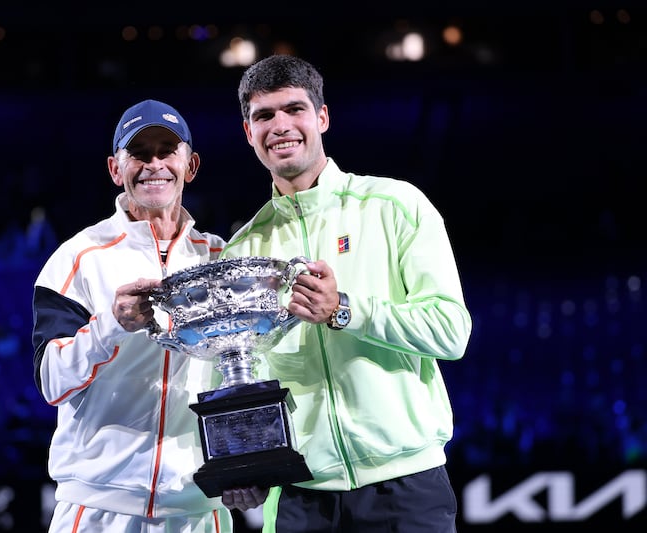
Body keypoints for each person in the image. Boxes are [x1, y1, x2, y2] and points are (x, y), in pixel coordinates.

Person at [220, 55, 473, 532]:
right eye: (264, 116)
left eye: (295, 109)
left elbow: (451, 332)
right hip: (300, 496)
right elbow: (242, 373)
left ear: (322, 117)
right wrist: (246, 462)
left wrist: (344, 309)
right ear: (248, 132)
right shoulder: (244, 249)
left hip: (405, 485)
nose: (280, 126)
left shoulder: (395, 205)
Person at [31, 99, 236, 532]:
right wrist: (109, 327)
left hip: (198, 509)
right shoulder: (78, 258)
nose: (154, 164)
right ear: (114, 168)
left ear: (191, 165)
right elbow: (51, 381)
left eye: (167, 150)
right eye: (139, 153)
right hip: (97, 507)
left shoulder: (223, 259)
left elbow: (243, 374)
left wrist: (246, 466)